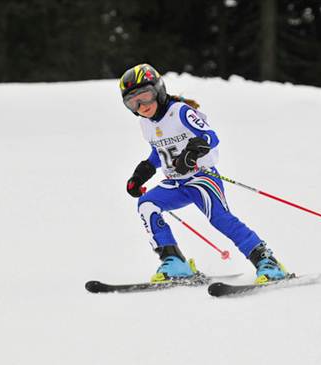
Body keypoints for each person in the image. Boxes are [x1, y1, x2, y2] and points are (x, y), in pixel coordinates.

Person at [120, 63, 288, 284]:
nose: (142, 105)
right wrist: (141, 174)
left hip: (202, 178)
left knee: (219, 219)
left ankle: (267, 261)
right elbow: (158, 151)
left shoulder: (180, 112)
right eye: (133, 102)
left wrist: (192, 153)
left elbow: (210, 136)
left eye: (146, 96)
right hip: (176, 183)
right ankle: (174, 262)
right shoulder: (146, 123)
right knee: (147, 204)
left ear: (159, 90)